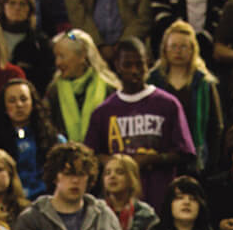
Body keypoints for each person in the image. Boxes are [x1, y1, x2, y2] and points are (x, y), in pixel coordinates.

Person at [83, 37, 195, 217]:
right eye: (127, 65)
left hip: (160, 197)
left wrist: (151, 159)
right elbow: (90, 155)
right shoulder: (103, 112)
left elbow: (185, 152)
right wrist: (118, 164)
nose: (134, 71)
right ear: (117, 66)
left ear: (148, 64)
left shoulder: (168, 104)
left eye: (139, 64)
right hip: (118, 206)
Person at [149, 20, 223, 173]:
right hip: (160, 157)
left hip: (195, 159)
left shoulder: (204, 82)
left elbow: (216, 126)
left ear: (192, 50)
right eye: (173, 46)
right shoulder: (152, 81)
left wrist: (212, 163)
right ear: (165, 49)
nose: (178, 51)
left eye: (183, 46)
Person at [0, 77, 62, 203]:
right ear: (4, 107)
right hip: (9, 204)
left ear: (33, 103)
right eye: (12, 101)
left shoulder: (55, 140)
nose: (19, 105)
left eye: (24, 99)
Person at [46, 29, 120, 144]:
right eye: (56, 57)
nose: (57, 63)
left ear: (82, 56)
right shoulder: (53, 91)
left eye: (62, 56)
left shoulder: (109, 88)